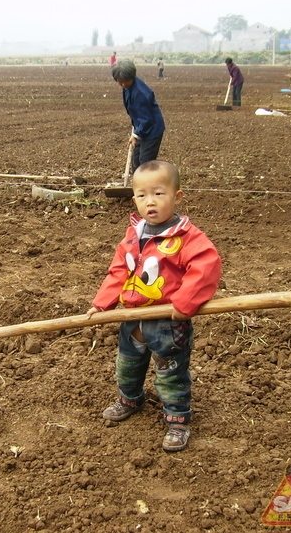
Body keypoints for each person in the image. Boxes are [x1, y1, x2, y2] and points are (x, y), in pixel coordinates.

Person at [87, 160, 222, 452]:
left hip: (168, 322)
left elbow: (206, 266)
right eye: (142, 195)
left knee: (170, 370)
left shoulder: (187, 238)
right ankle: (130, 399)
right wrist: (101, 304)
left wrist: (185, 303)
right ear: (134, 198)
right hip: (132, 320)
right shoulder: (133, 235)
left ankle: (177, 419)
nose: (150, 202)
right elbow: (119, 271)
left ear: (177, 196)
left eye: (159, 194)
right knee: (127, 366)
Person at [111, 59, 165, 173]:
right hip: (141, 127)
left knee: (145, 164)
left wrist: (136, 134)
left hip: (151, 130)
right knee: (136, 161)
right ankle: (138, 187)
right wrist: (136, 130)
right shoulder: (127, 87)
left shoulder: (140, 93)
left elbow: (147, 119)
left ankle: (147, 188)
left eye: (126, 81)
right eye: (120, 82)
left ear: (132, 76)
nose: (123, 84)